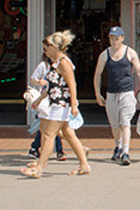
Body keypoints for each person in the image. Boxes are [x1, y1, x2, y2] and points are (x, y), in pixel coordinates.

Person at [20, 30, 92, 178]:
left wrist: (73, 105)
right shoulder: (56, 63)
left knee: (48, 134)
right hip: (55, 103)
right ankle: (84, 165)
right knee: (68, 134)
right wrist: (40, 99)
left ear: (56, 47)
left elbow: (72, 84)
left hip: (61, 104)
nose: (44, 50)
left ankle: (39, 167)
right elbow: (53, 86)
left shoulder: (64, 63)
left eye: (47, 47)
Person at [93, 26, 140, 166]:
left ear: (122, 38)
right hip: (111, 94)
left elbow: (139, 71)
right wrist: (97, 93)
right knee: (115, 125)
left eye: (117, 39)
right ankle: (118, 146)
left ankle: (125, 151)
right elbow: (97, 75)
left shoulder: (130, 52)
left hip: (126, 92)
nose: (114, 42)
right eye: (112, 39)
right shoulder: (105, 54)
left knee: (125, 122)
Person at [25, 48, 65, 162]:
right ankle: (58, 151)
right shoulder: (43, 66)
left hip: (57, 101)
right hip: (46, 102)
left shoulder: (60, 65)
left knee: (49, 127)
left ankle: (36, 149)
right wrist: (40, 82)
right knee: (52, 127)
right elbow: (33, 79)